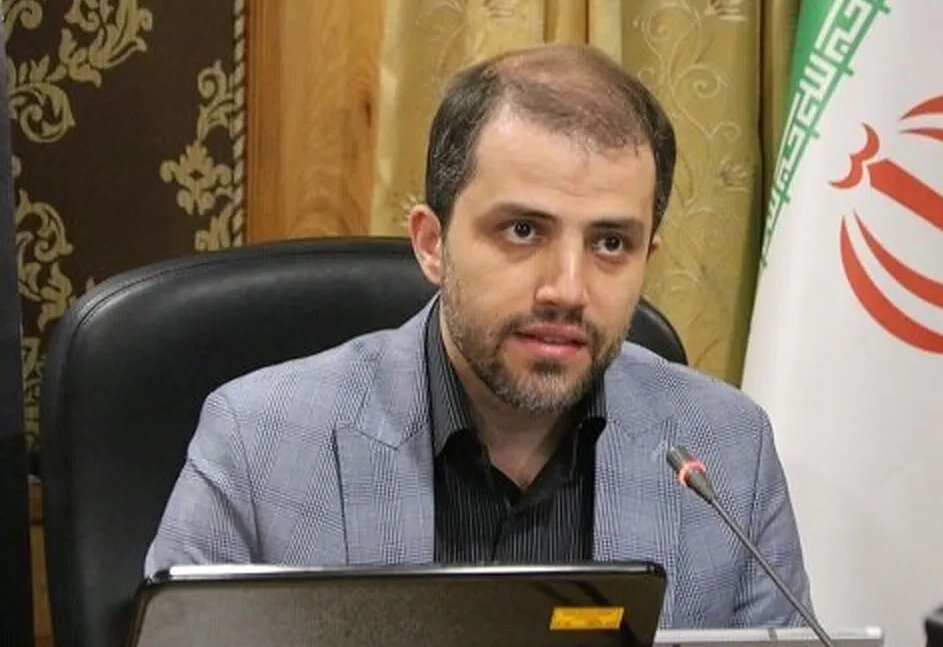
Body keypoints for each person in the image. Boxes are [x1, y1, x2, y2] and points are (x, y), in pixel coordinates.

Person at [144, 43, 812, 629]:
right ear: (432, 244)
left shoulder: (726, 450)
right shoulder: (260, 444)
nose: (567, 289)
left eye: (611, 243)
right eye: (523, 230)